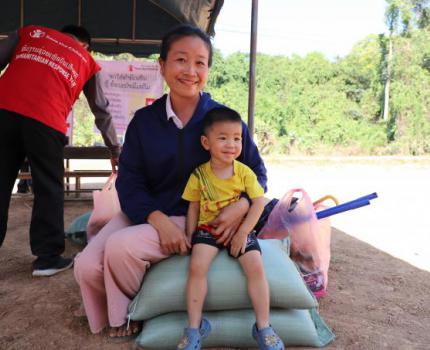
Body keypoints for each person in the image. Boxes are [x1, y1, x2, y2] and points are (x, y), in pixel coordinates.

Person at [73, 24, 267, 340]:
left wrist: (242, 207)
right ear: (162, 66)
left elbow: (257, 173)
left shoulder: (223, 120)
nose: (190, 70)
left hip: (197, 215)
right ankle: (116, 304)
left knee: (121, 249)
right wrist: (156, 219)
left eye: (200, 62)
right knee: (86, 265)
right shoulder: (144, 122)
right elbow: (130, 180)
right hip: (148, 211)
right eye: (180, 60)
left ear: (208, 69)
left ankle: (125, 315)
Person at [0, 25, 120, 277]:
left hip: (3, 110)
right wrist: (114, 149)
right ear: (86, 45)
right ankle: (46, 258)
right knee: (48, 188)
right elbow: (101, 109)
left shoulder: (29, 33)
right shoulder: (86, 59)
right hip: (46, 121)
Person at [177, 107, 284, 350]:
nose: (231, 144)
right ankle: (194, 329)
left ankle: (263, 327)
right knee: (197, 266)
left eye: (237, 138)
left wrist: (244, 232)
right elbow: (193, 206)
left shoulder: (245, 172)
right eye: (223, 138)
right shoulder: (199, 175)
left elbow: (258, 202)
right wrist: (189, 235)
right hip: (208, 228)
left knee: (256, 265)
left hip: (240, 229)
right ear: (206, 142)